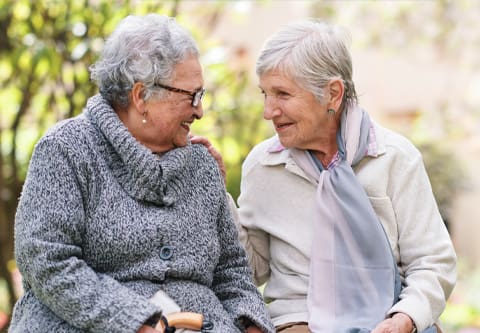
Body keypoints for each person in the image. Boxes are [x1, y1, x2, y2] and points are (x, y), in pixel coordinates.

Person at [9, 14, 275, 333]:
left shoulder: (202, 165)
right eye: (190, 96)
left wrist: (251, 324)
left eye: (201, 95)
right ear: (141, 97)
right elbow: (47, 262)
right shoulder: (65, 150)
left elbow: (232, 271)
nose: (200, 110)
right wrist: (134, 322)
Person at [195, 20, 457, 333]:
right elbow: (251, 270)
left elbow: (432, 262)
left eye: (282, 94)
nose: (268, 111)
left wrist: (404, 319)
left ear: (332, 93)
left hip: (391, 314)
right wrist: (219, 195)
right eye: (265, 93)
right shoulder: (263, 166)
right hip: (300, 320)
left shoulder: (394, 158)